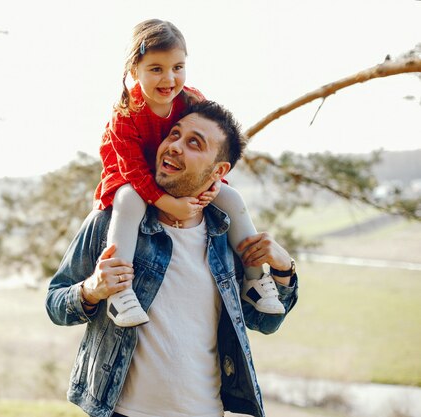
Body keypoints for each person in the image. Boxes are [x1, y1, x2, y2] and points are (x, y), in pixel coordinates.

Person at [46, 100, 299, 417]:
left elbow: (265, 321)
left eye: (194, 143)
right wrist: (91, 290)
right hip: (120, 411)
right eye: (174, 134)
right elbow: (55, 303)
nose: (174, 146)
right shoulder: (111, 223)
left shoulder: (228, 236)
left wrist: (284, 270)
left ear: (219, 171)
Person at [94, 19, 283, 328]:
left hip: (175, 172)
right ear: (134, 72)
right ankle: (120, 291)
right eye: (156, 69)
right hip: (134, 176)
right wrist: (168, 204)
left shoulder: (191, 100)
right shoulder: (125, 115)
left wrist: (212, 184)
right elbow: (134, 172)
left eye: (177, 67)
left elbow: (214, 149)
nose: (169, 78)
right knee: (129, 201)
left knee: (231, 197)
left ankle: (254, 279)